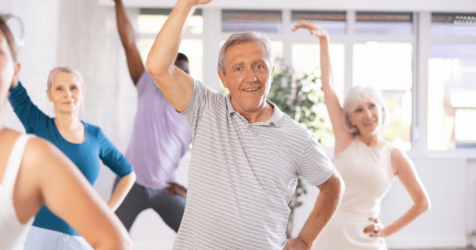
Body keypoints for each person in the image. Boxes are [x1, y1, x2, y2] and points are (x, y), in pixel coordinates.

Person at [145, 1, 345, 249]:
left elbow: (333, 186)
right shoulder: (204, 107)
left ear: (271, 72)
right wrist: (187, 4)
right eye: (238, 68)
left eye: (259, 66)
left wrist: (305, 239)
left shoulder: (298, 137)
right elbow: (157, 67)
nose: (250, 77)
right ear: (224, 77)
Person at [291, 22, 431, 250]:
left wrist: (386, 231)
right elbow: (328, 87)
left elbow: (422, 202)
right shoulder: (345, 139)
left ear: (382, 110)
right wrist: (325, 41)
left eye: (371, 106)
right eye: (358, 110)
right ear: (350, 118)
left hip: (365, 237)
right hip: (330, 231)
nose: (367, 114)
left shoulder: (395, 156)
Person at [0, 16, 132, 250]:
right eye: (59, 88)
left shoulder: (95, 136)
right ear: (49, 94)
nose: (67, 94)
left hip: (79, 239)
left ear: (82, 93)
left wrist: (106, 212)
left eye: (73, 88)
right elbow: (14, 88)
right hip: (37, 236)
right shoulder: (37, 124)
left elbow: (128, 174)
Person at [111, 0, 192, 232]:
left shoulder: (195, 115)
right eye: (170, 70)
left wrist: (186, 192)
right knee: (111, 239)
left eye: (182, 72)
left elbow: (217, 164)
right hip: (130, 183)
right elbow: (129, 45)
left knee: (199, 237)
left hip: (165, 190)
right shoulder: (147, 86)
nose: (175, 76)